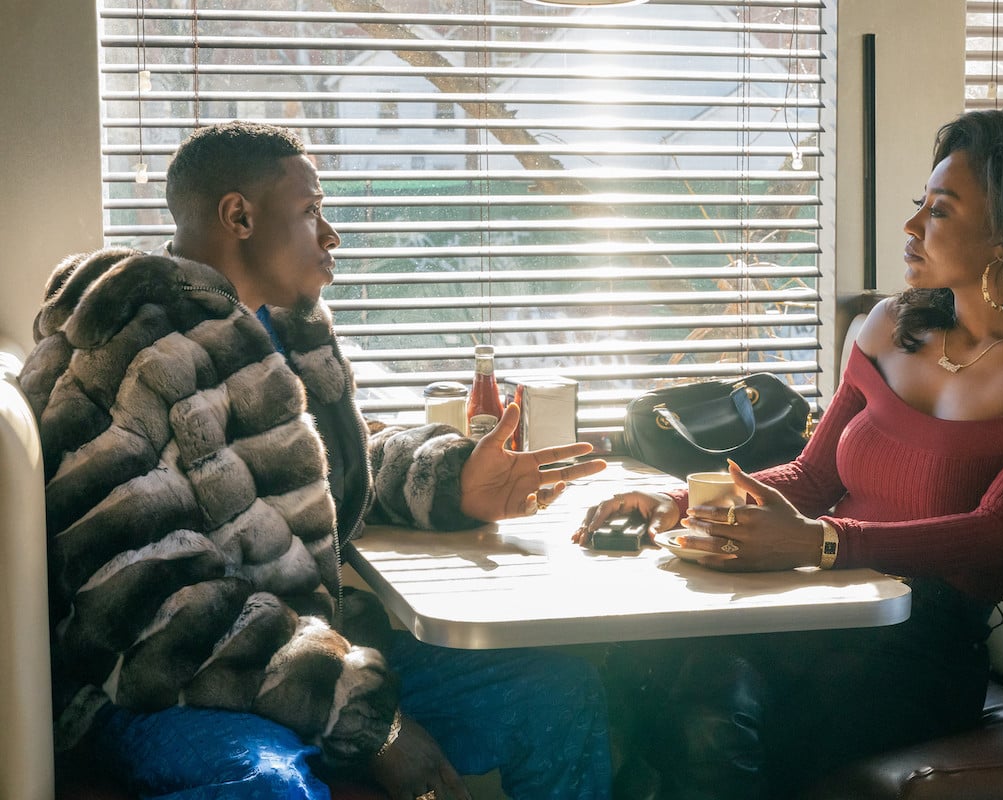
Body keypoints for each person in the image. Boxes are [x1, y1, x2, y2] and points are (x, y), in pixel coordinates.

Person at [19, 121, 612, 800]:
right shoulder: (127, 354)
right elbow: (146, 610)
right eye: (311, 211)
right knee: (267, 785)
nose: (332, 235)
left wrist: (451, 481)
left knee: (556, 696)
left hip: (304, 657)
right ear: (239, 215)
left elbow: (313, 472)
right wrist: (365, 719)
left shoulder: (283, 327)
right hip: (159, 692)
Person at [574, 106, 1003, 799]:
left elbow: (994, 533)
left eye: (941, 212)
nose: (912, 227)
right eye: (918, 205)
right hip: (818, 607)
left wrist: (822, 543)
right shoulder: (890, 325)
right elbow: (812, 474)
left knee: (710, 711)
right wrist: (677, 498)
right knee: (662, 667)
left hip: (916, 648)